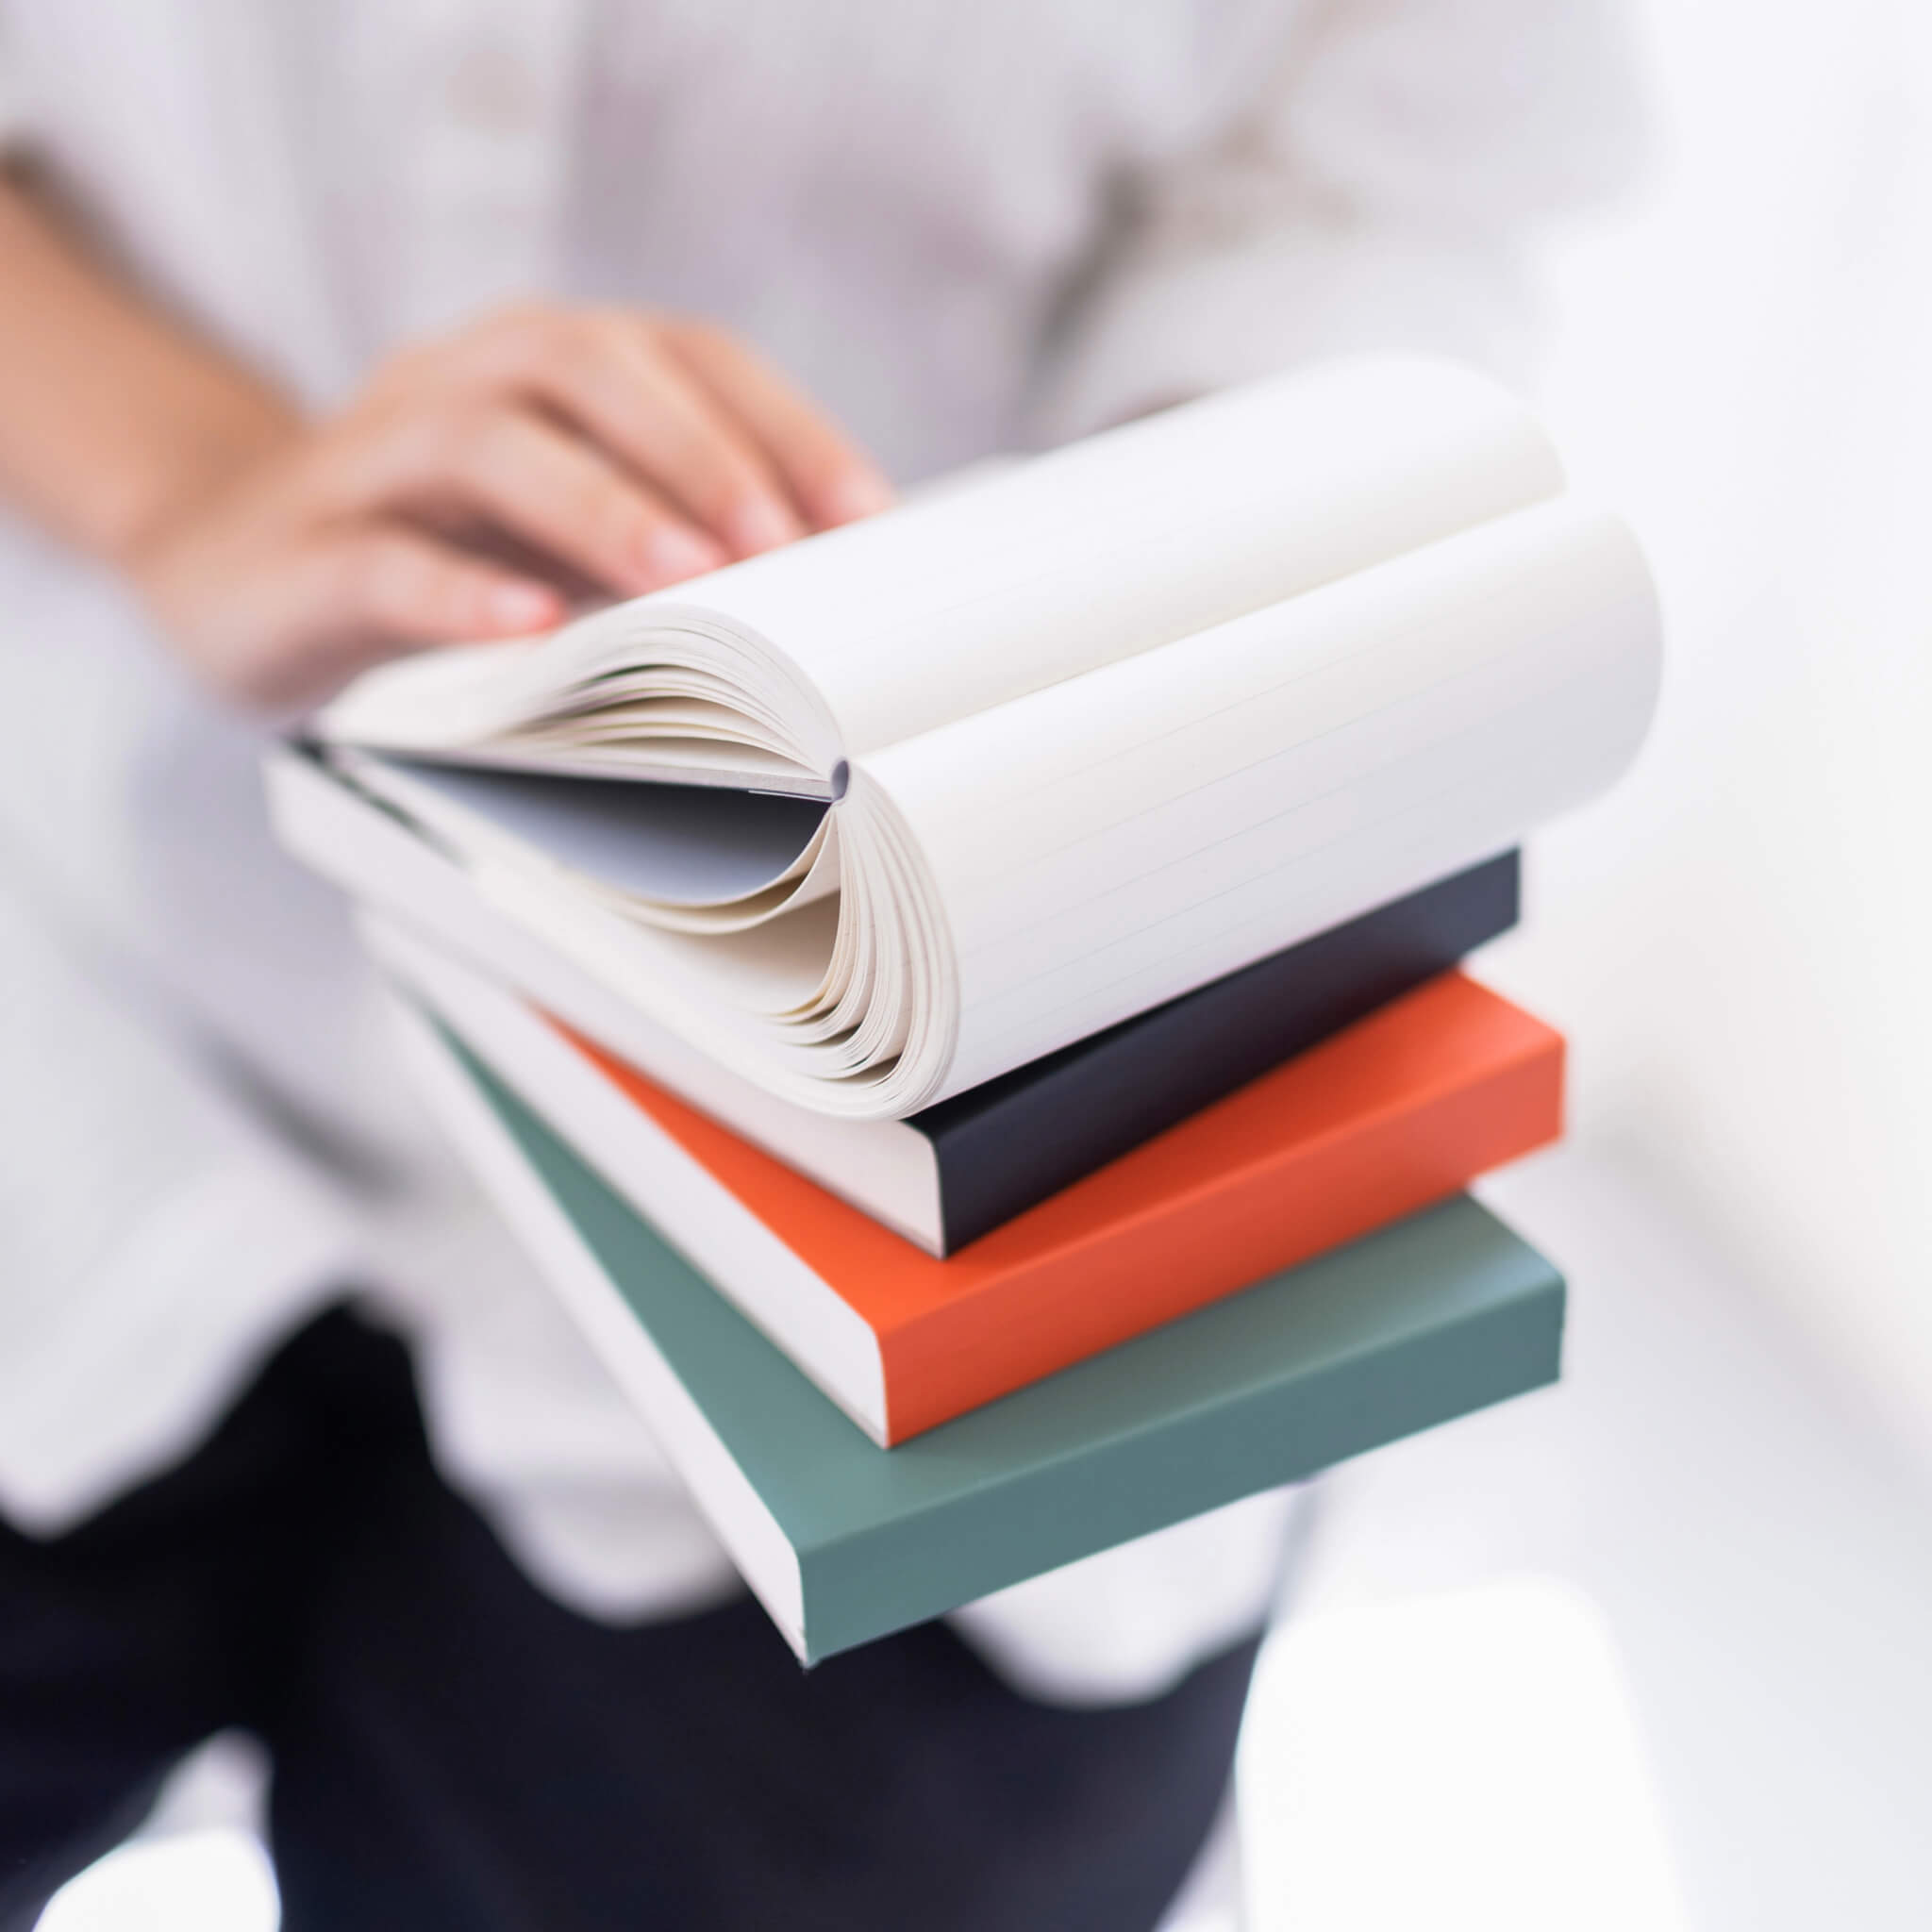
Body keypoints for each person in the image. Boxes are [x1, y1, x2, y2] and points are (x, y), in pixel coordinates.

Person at [0, 5, 1639, 1926]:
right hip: (96, 971)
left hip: (947, 1121)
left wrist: (1111, 643)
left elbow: (1380, 185)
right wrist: (183, 472)